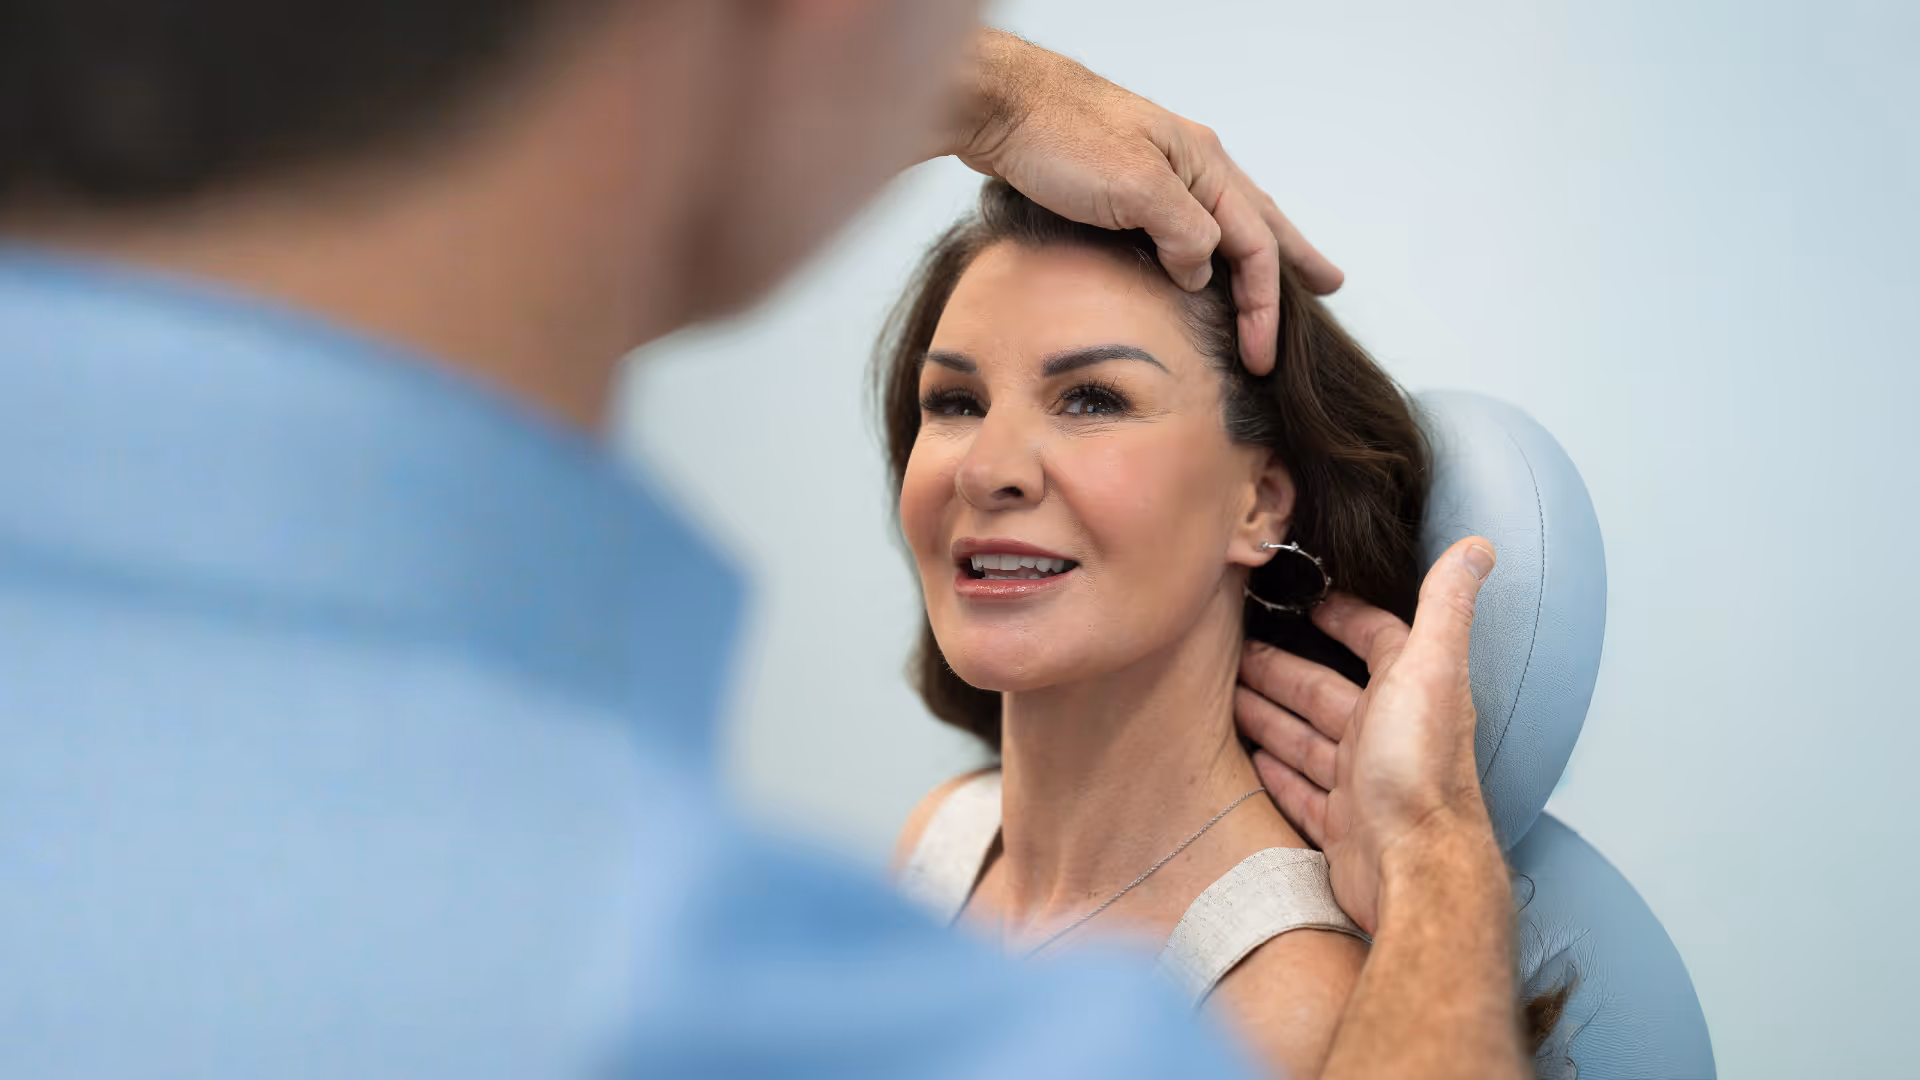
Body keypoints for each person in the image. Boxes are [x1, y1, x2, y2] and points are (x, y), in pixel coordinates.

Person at [0, 3, 1522, 1078]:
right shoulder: (925, 859)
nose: (989, 468)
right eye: (949, 401)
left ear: (1265, 502)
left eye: (1091, 402)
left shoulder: (1268, 1001)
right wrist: (1446, 878)